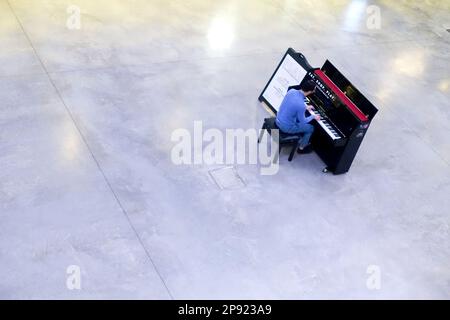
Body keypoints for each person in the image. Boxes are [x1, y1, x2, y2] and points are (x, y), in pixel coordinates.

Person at [275, 80, 320, 154]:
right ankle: (301, 148)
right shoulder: (301, 105)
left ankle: (300, 139)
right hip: (286, 127)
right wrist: (313, 116)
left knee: (297, 119)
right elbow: (303, 121)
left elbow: (292, 105)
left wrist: (305, 108)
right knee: (311, 128)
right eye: (314, 90)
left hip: (278, 119)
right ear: (310, 91)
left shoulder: (291, 91)